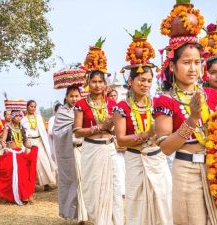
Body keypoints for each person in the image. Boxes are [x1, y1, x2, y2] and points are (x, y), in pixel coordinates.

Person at [155, 1, 217, 224]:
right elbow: (166, 148)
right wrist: (193, 119)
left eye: (197, 62)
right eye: (186, 62)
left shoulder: (213, 95)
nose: (193, 68)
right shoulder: (165, 101)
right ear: (173, 66)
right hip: (186, 169)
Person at [113, 24, 172, 225]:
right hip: (135, 160)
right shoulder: (121, 107)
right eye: (141, 79)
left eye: (149, 80)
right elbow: (121, 140)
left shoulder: (157, 104)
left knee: (163, 206)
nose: (145, 84)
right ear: (130, 81)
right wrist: (148, 133)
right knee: (138, 208)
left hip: (157, 160)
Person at [73, 38, 124, 225]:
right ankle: (99, 221)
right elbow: (77, 131)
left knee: (114, 187)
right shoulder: (81, 104)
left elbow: (118, 128)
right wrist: (97, 127)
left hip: (109, 148)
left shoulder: (113, 104)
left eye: (100, 82)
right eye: (93, 82)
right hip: (91, 149)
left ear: (105, 83)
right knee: (94, 189)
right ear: (88, 83)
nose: (97, 85)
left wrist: (111, 124)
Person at [53, 86, 88, 224]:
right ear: (66, 97)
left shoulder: (84, 110)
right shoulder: (61, 112)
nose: (74, 99)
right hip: (70, 152)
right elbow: (58, 133)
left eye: (77, 96)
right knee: (74, 182)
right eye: (71, 96)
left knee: (86, 181)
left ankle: (87, 213)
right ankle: (76, 214)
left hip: (85, 150)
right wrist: (74, 126)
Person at [0, 109, 38, 205]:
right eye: (16, 116)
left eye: (20, 116)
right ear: (12, 117)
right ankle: (9, 196)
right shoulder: (7, 128)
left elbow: (25, 142)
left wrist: (32, 146)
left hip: (20, 154)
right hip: (11, 154)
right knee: (9, 175)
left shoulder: (22, 128)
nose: (18, 118)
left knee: (23, 175)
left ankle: (24, 195)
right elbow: (2, 141)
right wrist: (6, 147)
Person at [21, 100, 57, 191]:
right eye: (31, 106)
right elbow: (23, 133)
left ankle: (46, 184)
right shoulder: (23, 119)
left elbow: (44, 129)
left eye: (34, 107)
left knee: (44, 161)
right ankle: (32, 185)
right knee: (31, 163)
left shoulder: (39, 117)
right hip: (29, 143)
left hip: (40, 141)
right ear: (27, 107)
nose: (33, 108)